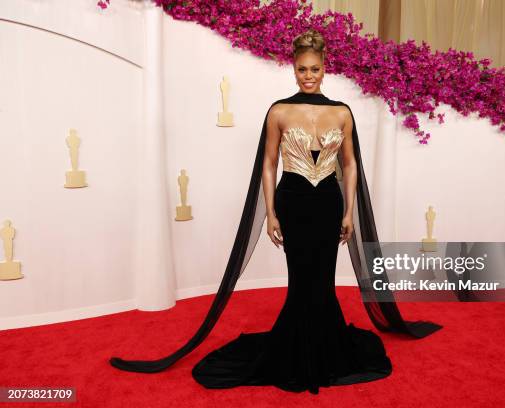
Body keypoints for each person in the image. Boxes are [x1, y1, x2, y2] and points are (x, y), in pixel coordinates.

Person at [109, 29, 442, 395]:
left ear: (325, 68)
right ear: (293, 69)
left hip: (328, 204)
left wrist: (348, 213)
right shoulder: (279, 111)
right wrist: (270, 212)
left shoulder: (342, 113)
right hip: (294, 202)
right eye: (302, 69)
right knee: (301, 279)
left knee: (324, 278)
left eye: (315, 68)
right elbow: (268, 165)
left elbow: (349, 167)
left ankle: (325, 347)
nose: (309, 76)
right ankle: (299, 349)